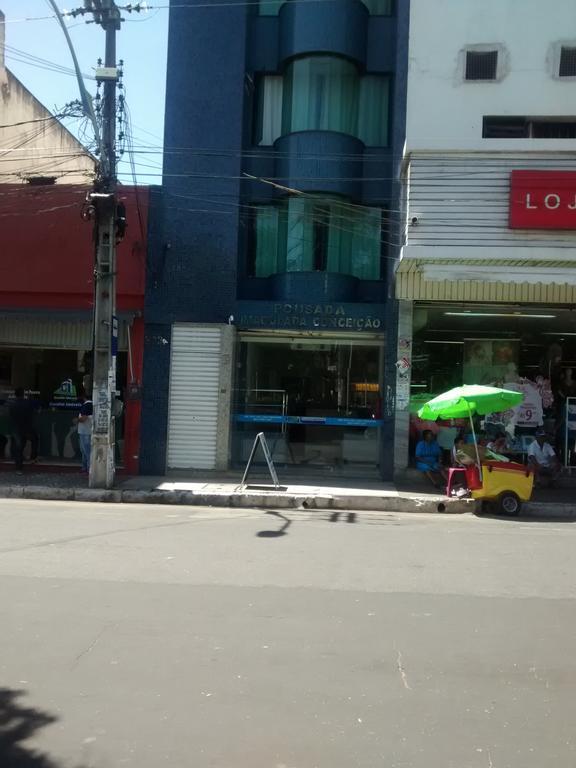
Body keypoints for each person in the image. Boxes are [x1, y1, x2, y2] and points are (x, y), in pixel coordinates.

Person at [8, 388, 38, 473]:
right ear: (23, 394)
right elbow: (35, 409)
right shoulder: (27, 403)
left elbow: (10, 417)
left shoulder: (12, 405)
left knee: (19, 448)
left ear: (15, 394)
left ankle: (18, 468)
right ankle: (33, 457)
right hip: (27, 428)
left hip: (16, 429)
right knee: (35, 439)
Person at [76, 392, 93, 474]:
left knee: (86, 451)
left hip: (85, 431)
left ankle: (88, 468)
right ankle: (85, 468)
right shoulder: (92, 404)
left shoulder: (87, 405)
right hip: (87, 431)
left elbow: (83, 418)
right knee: (85, 451)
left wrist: (76, 420)